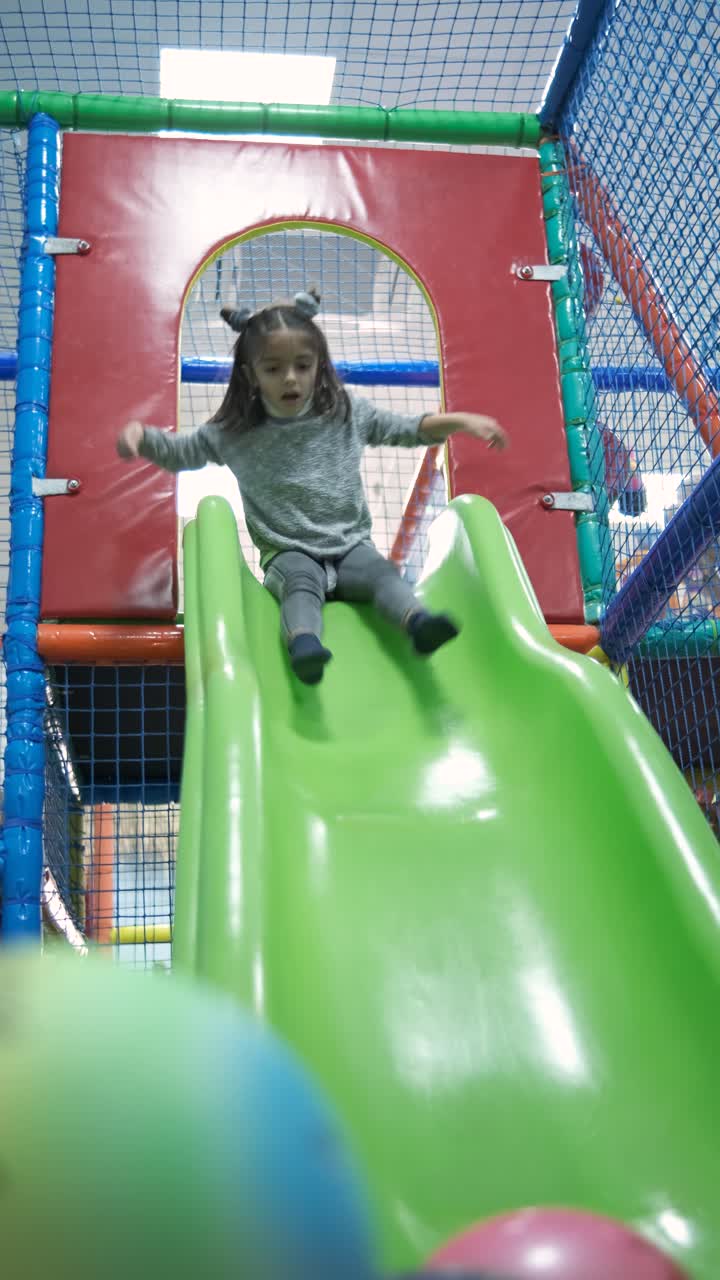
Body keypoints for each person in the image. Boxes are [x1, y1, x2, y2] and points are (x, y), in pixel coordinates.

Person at [117, 289, 508, 685]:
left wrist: (459, 421)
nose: (290, 378)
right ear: (251, 374)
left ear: (318, 366)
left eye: (302, 366)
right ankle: (304, 645)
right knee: (301, 586)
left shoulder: (345, 414)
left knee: (382, 574)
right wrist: (141, 437)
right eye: (273, 369)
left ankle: (418, 624)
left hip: (351, 546)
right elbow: (182, 453)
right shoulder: (235, 433)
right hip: (288, 552)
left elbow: (408, 429)